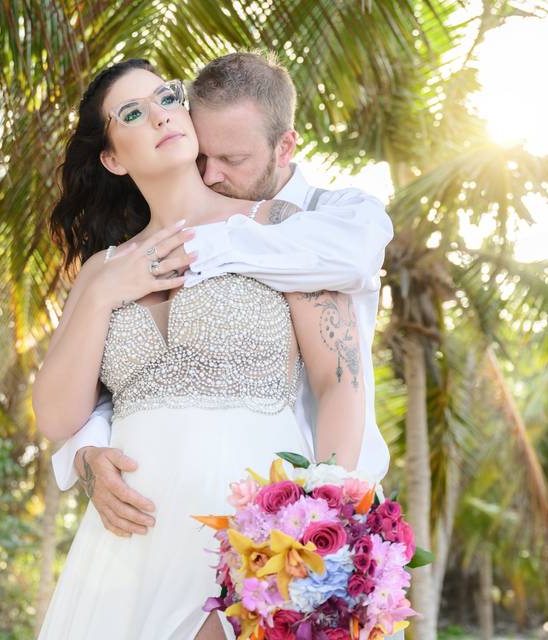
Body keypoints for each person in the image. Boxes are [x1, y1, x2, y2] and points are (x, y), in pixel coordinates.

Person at [33, 56, 390, 640]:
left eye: (167, 98)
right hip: (128, 550)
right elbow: (56, 416)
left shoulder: (288, 226)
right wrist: (102, 294)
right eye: (132, 112)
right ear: (113, 158)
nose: (160, 116)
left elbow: (339, 381)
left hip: (252, 542)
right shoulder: (101, 269)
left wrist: (313, 530)